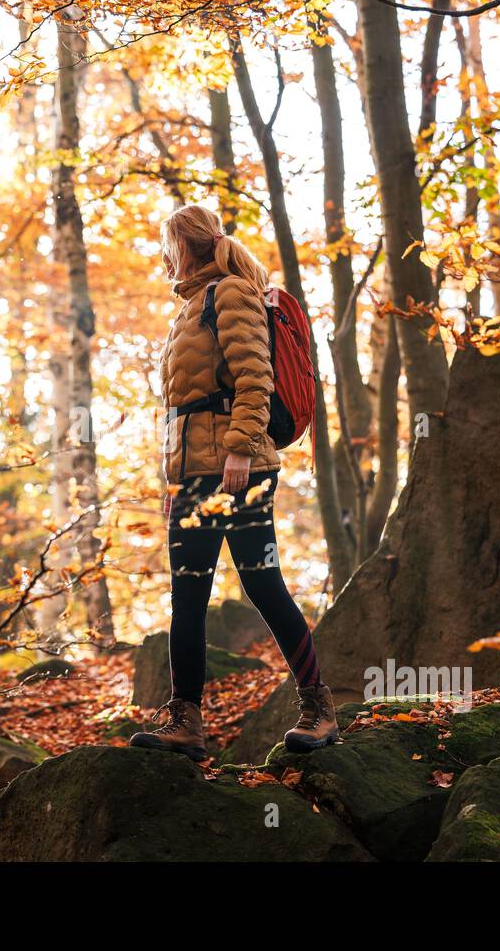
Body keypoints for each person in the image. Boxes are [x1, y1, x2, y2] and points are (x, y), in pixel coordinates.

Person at [129, 204, 337, 762]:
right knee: (188, 595)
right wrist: (172, 478)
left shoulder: (232, 293)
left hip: (235, 467)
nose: (164, 255)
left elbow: (254, 376)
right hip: (190, 475)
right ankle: (186, 721)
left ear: (187, 243)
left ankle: (318, 707)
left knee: (262, 583)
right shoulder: (189, 307)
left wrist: (241, 449)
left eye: (169, 243)